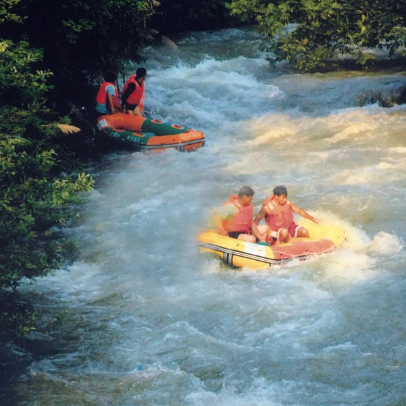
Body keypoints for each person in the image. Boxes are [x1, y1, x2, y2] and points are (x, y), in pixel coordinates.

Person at [252, 185, 318, 245]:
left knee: (304, 231)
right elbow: (256, 220)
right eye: (283, 198)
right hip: (277, 232)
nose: (285, 199)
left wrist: (313, 219)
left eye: (286, 197)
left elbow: (300, 211)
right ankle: (281, 244)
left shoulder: (288, 204)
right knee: (284, 232)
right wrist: (256, 236)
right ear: (276, 197)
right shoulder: (267, 207)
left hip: (290, 228)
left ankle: (302, 244)